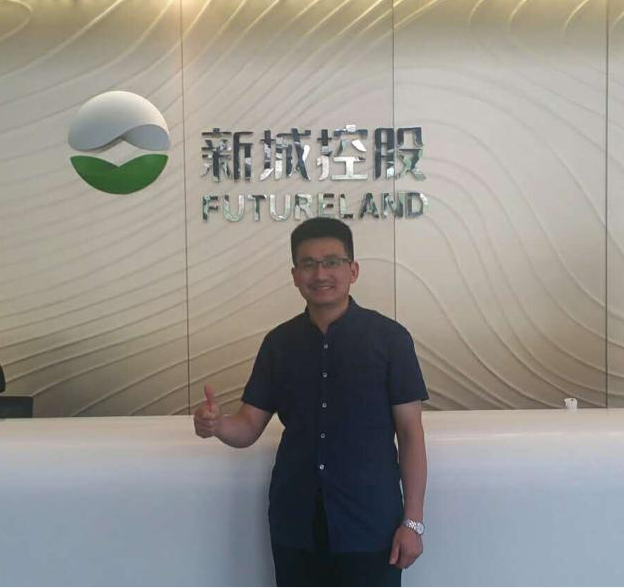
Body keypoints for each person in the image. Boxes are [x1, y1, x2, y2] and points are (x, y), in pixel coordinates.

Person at [194, 217, 428, 587]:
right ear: (295, 275)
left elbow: (411, 434)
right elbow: (248, 426)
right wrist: (216, 425)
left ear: (353, 270)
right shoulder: (279, 344)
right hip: (296, 522)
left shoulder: (391, 340)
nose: (320, 274)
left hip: (370, 524)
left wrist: (412, 523)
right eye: (308, 264)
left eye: (332, 262)